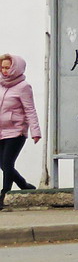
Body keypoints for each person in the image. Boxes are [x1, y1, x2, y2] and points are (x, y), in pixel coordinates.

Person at [0, 53, 41, 209]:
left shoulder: (24, 87)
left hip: (16, 132)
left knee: (7, 164)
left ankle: (3, 195)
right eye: (2, 67)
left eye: (7, 67)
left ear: (15, 68)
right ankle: (24, 185)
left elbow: (30, 110)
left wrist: (35, 131)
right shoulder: (0, 83)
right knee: (3, 165)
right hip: (1, 131)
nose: (4, 71)